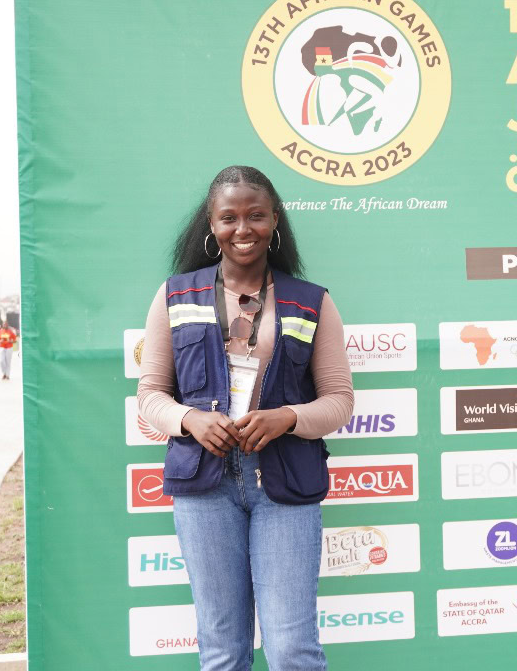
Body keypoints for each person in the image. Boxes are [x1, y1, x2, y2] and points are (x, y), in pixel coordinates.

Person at [137, 165, 353, 671]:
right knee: (221, 648)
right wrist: (190, 420)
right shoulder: (175, 295)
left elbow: (339, 400)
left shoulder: (311, 300)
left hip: (284, 485)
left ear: (274, 219)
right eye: (228, 217)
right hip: (205, 488)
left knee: (292, 648)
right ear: (210, 225)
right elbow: (150, 395)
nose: (243, 229)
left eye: (256, 215)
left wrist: (287, 418)